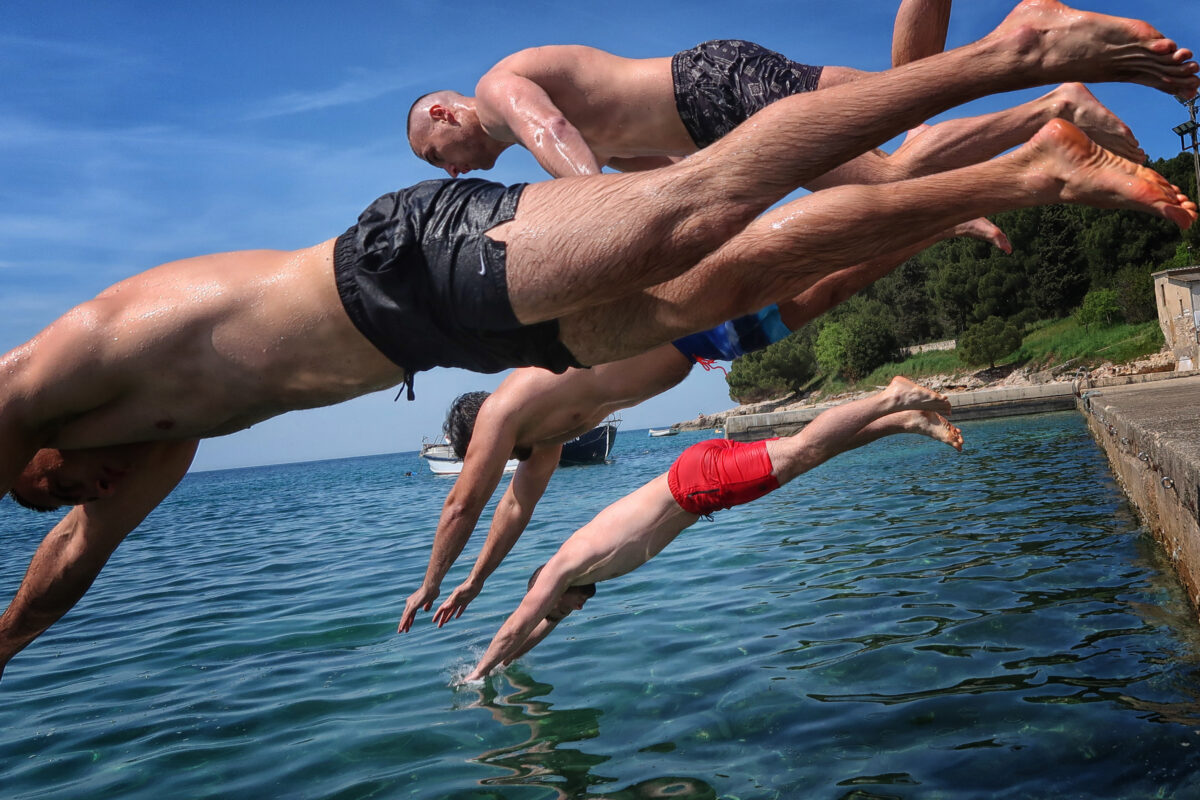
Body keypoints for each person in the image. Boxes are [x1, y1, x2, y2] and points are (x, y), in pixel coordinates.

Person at [1, 0, 1198, 679]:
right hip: (449, 330)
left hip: (398, 267)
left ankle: (1019, 59)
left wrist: (600, 211)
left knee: (686, 219)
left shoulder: (75, 360)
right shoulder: (146, 447)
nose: (87, 497)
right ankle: (1039, 166)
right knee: (720, 276)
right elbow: (74, 559)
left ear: (34, 452)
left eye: (48, 484)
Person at [399, 219, 1010, 633]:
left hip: (685, 313)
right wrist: (473, 584)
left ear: (478, 429)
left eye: (478, 448)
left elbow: (465, 503)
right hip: (701, 343)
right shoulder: (546, 444)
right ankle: (936, 232)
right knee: (829, 290)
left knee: (808, 261)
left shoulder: (508, 407)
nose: (489, 457)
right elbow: (512, 512)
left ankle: (937, 216)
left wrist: (430, 584)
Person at [463, 377, 964, 681]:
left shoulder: (562, 567)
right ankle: (905, 422)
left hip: (698, 485)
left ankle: (891, 398)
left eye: (553, 610)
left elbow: (517, 625)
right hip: (698, 481)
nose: (565, 613)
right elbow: (535, 630)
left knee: (801, 450)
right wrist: (504, 666)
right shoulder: (578, 575)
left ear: (546, 592)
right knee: (807, 455)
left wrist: (477, 674)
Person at [408, 5, 1146, 184]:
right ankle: (1036, 69)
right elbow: (667, 184)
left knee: (888, 170)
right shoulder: (575, 130)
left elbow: (555, 140)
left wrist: (593, 214)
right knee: (910, 104)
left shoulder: (495, 89)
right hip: (716, 99)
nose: (445, 170)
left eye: (431, 152)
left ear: (443, 114)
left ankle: (1048, 103)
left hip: (710, 94)